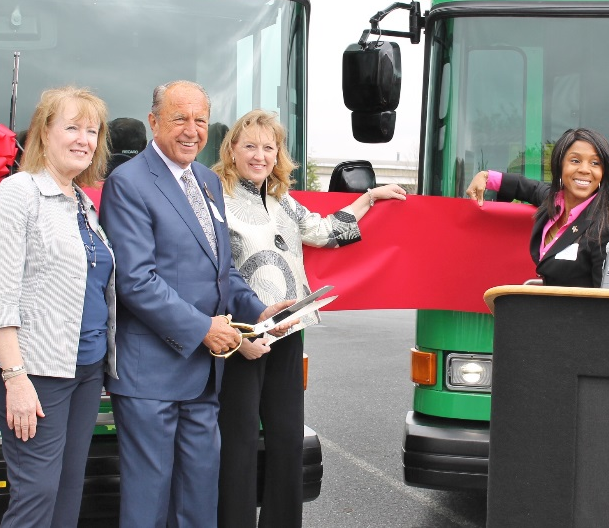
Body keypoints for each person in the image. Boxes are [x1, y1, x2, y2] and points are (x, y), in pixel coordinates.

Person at [99, 81, 293, 527]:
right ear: (153, 122)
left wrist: (256, 311)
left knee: (200, 501)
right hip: (151, 376)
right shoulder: (128, 183)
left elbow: (221, 270)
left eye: (200, 120)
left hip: (205, 377)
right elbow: (136, 280)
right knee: (148, 506)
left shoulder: (207, 180)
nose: (191, 130)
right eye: (179, 118)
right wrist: (204, 328)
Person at [212, 109, 406, 528]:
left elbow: (322, 231)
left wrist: (369, 198)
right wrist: (238, 330)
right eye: (250, 146)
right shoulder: (215, 197)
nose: (260, 155)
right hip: (240, 336)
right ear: (232, 150)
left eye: (269, 147)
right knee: (238, 442)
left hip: (288, 331)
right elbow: (213, 270)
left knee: (286, 440)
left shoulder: (281, 199)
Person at [0, 86, 115, 527]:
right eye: (71, 127)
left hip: (85, 368)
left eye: (91, 131)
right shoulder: (17, 194)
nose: (84, 139)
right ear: (43, 133)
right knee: (36, 494)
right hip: (35, 373)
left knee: (69, 489)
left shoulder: (82, 202)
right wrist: (16, 379)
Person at [466, 128, 609, 287]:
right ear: (559, 166)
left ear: (603, 173)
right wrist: (487, 177)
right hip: (549, 312)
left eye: (595, 163)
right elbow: (527, 187)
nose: (584, 169)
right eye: (575, 160)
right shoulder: (554, 201)